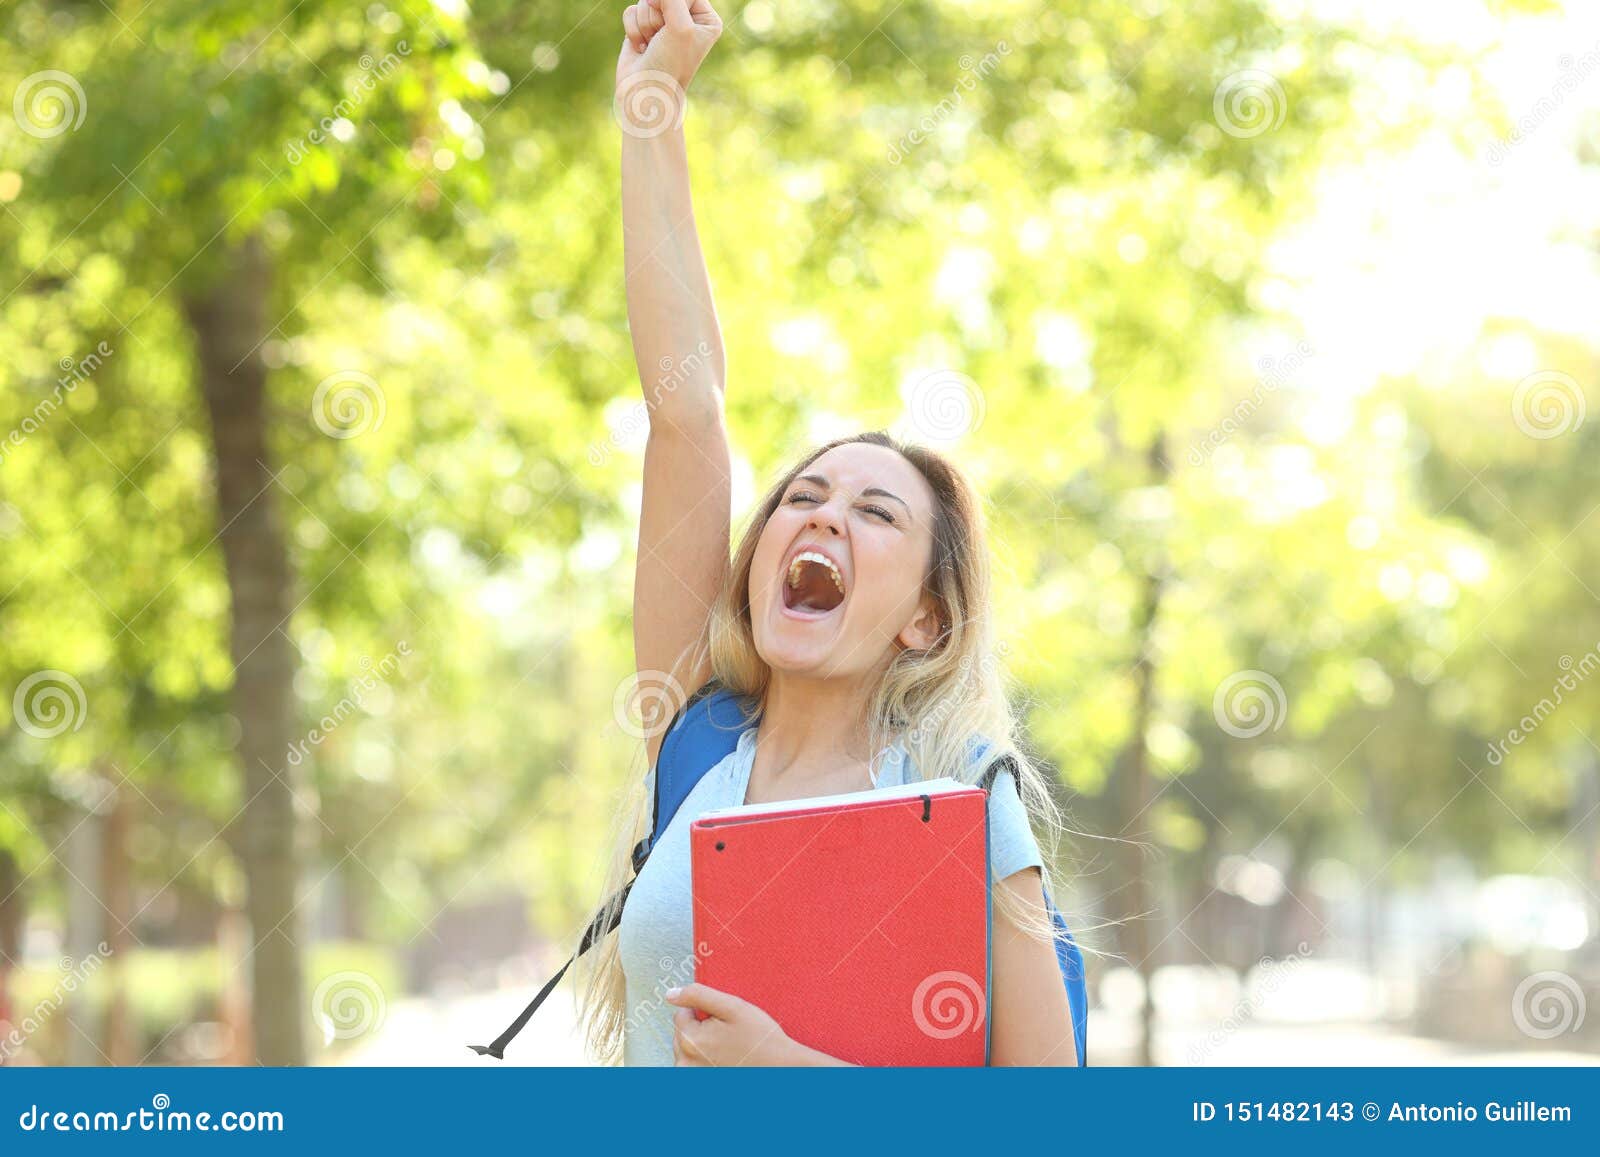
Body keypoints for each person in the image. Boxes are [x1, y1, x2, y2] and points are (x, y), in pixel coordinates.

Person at [578, 0, 1079, 1066]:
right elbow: (685, 410)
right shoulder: (696, 740)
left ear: (925, 619)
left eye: (875, 510)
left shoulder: (959, 798)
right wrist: (651, 111)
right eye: (802, 496)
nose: (821, 514)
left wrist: (793, 1076)